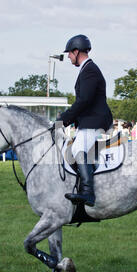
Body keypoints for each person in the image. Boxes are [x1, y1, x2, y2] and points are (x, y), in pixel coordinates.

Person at [57, 34, 113, 207]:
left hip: (95, 121)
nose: (68, 57)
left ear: (76, 51)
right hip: (89, 120)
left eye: (69, 53)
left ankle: (88, 192)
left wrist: (64, 119)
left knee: (79, 148)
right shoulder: (86, 69)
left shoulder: (89, 70)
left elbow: (84, 101)